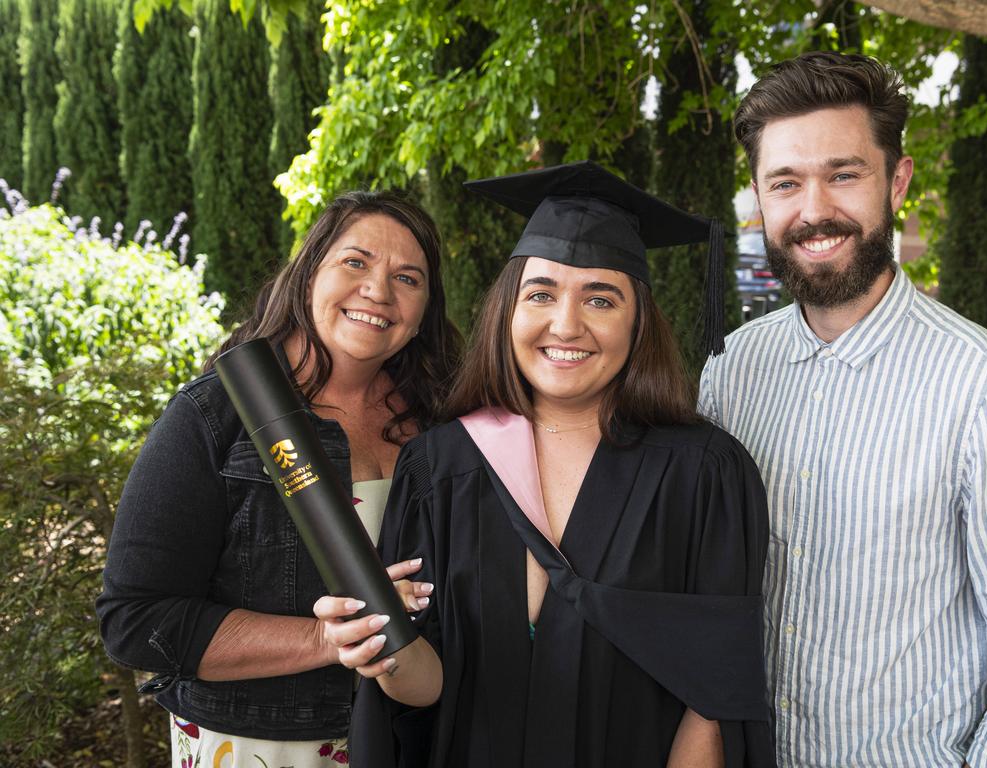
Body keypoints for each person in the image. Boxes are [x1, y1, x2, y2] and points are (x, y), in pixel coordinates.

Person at [315, 161, 776, 768]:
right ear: (509, 310)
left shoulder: (705, 474)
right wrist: (383, 648)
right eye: (541, 294)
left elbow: (714, 698)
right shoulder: (442, 466)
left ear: (638, 321)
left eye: (601, 299)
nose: (566, 324)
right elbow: (420, 692)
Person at [699, 51, 987, 767]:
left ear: (897, 180)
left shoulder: (985, 388)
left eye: (844, 174)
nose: (814, 211)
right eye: (786, 182)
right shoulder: (729, 371)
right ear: (757, 197)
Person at [97, 191, 461, 766]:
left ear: (423, 314)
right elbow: (136, 619)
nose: (379, 291)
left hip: (410, 737)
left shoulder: (443, 425)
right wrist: (324, 640)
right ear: (307, 274)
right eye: (356, 262)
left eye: (408, 278)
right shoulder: (216, 416)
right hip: (259, 745)